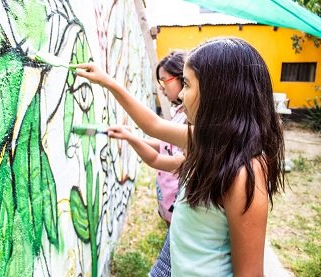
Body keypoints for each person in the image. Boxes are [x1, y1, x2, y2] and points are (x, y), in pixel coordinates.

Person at [75, 37, 285, 276]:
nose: (182, 96)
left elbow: (249, 274)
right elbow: (153, 125)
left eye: (187, 84)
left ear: (218, 92)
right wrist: (107, 82)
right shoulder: (211, 140)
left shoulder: (245, 172)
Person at [108, 51, 187, 225]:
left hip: (181, 211)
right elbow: (166, 147)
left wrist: (132, 139)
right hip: (170, 204)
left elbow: (158, 158)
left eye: (164, 80)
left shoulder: (190, 121)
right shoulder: (178, 113)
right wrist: (131, 137)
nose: (161, 87)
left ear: (182, 77)